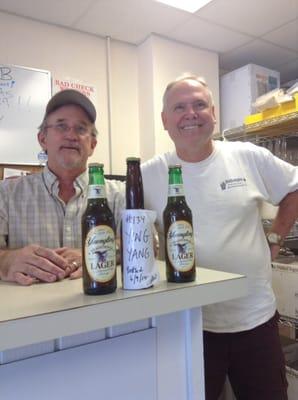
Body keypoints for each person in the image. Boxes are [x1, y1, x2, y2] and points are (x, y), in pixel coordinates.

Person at [141, 74, 298, 400]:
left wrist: (276, 237)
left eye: (200, 105)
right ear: (164, 120)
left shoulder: (247, 156)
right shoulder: (147, 175)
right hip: (188, 326)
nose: (191, 113)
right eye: (179, 107)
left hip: (255, 318)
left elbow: (294, 188)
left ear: (213, 112)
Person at [0, 89, 124, 286]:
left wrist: (108, 251)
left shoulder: (119, 195)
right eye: (61, 126)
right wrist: (7, 261)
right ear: (43, 139)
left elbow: (149, 243)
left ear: (92, 144)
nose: (71, 136)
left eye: (81, 129)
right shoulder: (6, 194)